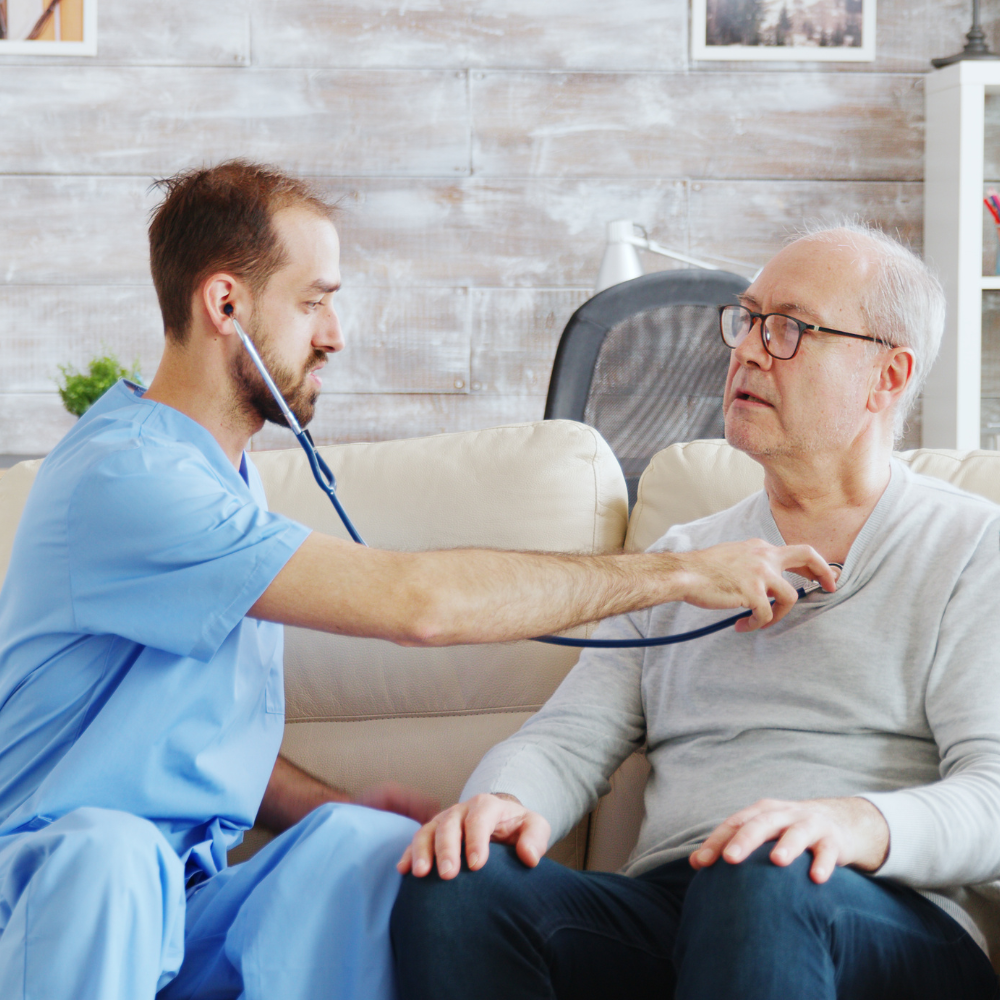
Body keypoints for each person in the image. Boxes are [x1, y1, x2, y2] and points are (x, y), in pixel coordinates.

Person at [0, 160, 829, 1000]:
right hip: (52, 890)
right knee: (113, 856)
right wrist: (681, 570)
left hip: (179, 903)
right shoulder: (129, 477)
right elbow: (417, 605)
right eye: (314, 301)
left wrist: (336, 805)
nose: (336, 334)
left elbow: (182, 742)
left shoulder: (222, 479)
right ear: (225, 305)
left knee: (364, 849)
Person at [391, 224, 1000, 999]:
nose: (746, 350)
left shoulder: (973, 546)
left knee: (761, 881)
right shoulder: (686, 558)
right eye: (747, 320)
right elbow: (568, 738)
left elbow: (993, 794)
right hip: (685, 903)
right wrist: (501, 802)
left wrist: (851, 824)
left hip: (879, 912)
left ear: (888, 375)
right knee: (458, 884)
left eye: (789, 329)